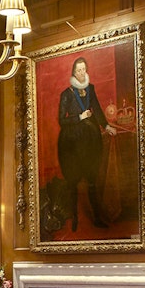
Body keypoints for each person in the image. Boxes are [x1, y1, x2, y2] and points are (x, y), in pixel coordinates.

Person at [56, 56, 118, 231]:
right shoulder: (66, 94)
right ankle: (74, 218)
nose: (81, 73)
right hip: (72, 144)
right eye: (78, 70)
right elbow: (62, 120)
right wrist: (79, 117)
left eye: (83, 69)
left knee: (92, 181)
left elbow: (97, 109)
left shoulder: (90, 89)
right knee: (73, 183)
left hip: (90, 141)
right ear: (73, 72)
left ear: (86, 70)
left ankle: (97, 218)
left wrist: (106, 125)